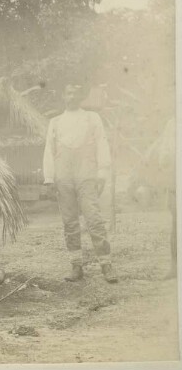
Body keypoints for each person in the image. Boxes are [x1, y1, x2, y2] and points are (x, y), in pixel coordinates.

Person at [43, 84, 118, 283]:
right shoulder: (55, 122)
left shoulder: (92, 118)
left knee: (94, 219)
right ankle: (76, 267)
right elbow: (49, 152)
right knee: (70, 222)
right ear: (63, 95)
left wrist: (102, 173)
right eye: (68, 92)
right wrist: (49, 179)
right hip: (64, 177)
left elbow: (102, 144)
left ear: (81, 96)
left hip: (87, 175)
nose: (72, 96)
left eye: (76, 93)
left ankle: (106, 265)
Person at [157, 118, 176, 279]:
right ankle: (175, 266)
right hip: (176, 180)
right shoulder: (172, 123)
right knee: (176, 224)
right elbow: (164, 153)